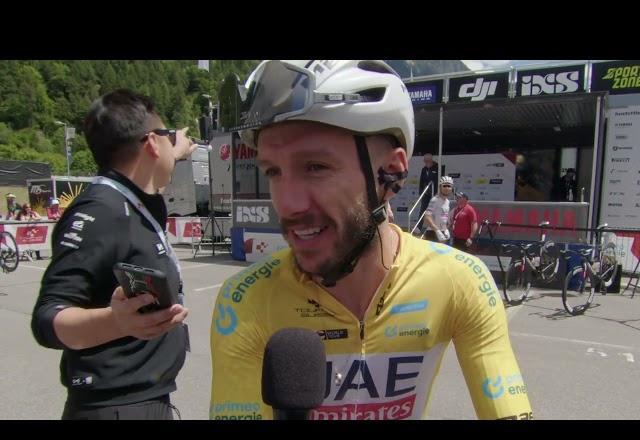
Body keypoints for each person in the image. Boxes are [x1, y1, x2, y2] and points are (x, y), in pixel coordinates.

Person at [209, 60, 532, 420]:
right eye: (273, 171)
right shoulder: (245, 300)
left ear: (391, 173)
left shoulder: (461, 281)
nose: (288, 204)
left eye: (315, 167)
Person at [32, 89, 195, 420]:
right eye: (166, 137)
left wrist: (174, 151)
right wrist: (116, 321)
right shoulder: (101, 210)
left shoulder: (132, 202)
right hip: (115, 407)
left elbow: (154, 178)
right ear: (150, 143)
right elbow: (47, 318)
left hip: (146, 398)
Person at [423, 176, 453, 243]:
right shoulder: (435, 200)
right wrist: (437, 231)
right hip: (432, 232)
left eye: (449, 186)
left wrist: (445, 229)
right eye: (444, 186)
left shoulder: (448, 202)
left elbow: (444, 218)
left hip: (443, 233)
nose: (447, 188)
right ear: (440, 187)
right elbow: (427, 217)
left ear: (451, 188)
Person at [417, 153, 438, 232]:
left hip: (435, 194)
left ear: (431, 160)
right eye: (425, 161)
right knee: (422, 210)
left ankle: (434, 228)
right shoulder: (424, 169)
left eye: (427, 161)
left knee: (435, 211)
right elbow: (421, 181)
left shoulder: (437, 167)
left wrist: (438, 192)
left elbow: (438, 180)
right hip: (426, 193)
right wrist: (421, 192)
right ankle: (419, 227)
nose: (425, 162)